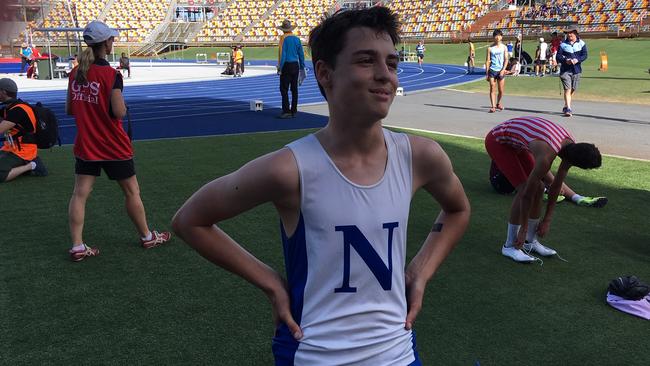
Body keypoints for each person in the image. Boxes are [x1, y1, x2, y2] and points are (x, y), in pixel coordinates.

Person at [172, 7, 470, 364]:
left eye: (391, 63)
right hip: (314, 353)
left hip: (399, 353)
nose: (384, 76)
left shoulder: (419, 156)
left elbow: (458, 209)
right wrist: (270, 282)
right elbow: (190, 220)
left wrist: (420, 271)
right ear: (325, 73)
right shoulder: (291, 169)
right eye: (366, 61)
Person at [65, 20, 171, 262]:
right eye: (111, 39)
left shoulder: (75, 73)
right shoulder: (112, 75)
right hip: (113, 145)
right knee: (132, 191)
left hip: (86, 144)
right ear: (105, 43)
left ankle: (77, 245)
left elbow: (70, 109)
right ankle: (147, 236)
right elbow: (119, 112)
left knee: (79, 194)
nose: (114, 42)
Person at [485, 116, 602, 263]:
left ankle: (530, 241)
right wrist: (524, 228)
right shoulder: (546, 155)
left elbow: (556, 186)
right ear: (574, 161)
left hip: (518, 142)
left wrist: (547, 219)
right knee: (523, 190)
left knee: (540, 187)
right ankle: (509, 246)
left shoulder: (571, 146)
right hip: (497, 141)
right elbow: (527, 194)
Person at [0, 78, 48, 183]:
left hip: (23, 150)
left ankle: (32, 165)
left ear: (3, 92)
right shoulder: (8, 107)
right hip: (10, 148)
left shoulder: (18, 110)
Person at [276, 19, 305, 119]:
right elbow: (301, 54)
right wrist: (302, 66)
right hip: (295, 65)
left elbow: (282, 54)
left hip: (287, 65)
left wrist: (280, 67)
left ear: (283, 29)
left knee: (284, 89)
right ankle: (294, 110)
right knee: (294, 89)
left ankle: (286, 111)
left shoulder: (283, 38)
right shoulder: (297, 39)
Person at [556, 25, 587, 117]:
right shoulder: (563, 44)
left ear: (576, 33)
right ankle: (568, 109)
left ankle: (566, 105)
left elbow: (585, 55)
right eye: (568, 33)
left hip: (577, 70)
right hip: (565, 70)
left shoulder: (581, 43)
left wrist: (578, 60)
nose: (569, 34)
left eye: (571, 33)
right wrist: (566, 60)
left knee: (573, 89)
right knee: (567, 89)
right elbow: (558, 56)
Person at [485, 29, 508, 113]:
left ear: (501, 37)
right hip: (492, 70)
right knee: (492, 88)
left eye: (499, 35)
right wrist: (487, 73)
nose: (497, 37)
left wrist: (503, 69)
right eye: (496, 35)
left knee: (501, 91)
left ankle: (498, 103)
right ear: (493, 37)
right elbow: (487, 61)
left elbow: (506, 59)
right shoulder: (490, 48)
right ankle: (493, 106)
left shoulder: (504, 47)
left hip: (500, 70)